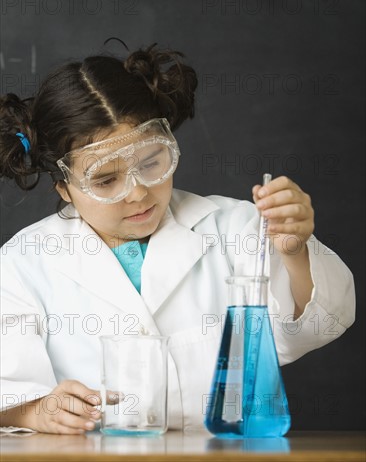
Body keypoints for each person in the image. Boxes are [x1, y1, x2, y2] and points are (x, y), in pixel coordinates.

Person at [0, 43, 355, 434]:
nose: (137, 193)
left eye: (151, 163)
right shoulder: (23, 262)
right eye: (105, 179)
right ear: (64, 187)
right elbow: (9, 395)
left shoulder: (235, 227)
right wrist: (37, 411)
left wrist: (295, 253)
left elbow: (320, 324)